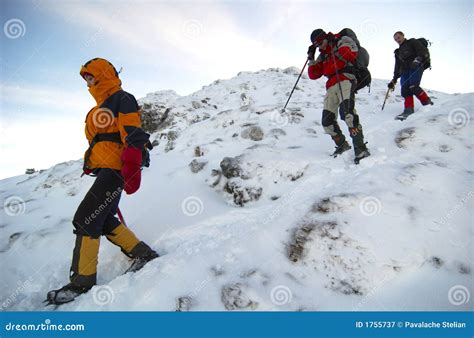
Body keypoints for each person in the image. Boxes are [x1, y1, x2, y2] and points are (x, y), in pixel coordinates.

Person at [46, 58, 158, 305]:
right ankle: (144, 254)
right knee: (102, 218)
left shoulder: (121, 98)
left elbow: (133, 132)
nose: (87, 81)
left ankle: (82, 282)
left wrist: (131, 163)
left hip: (116, 169)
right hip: (108, 169)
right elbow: (103, 140)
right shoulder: (100, 106)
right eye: (84, 78)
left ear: (103, 74)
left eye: (90, 76)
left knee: (86, 219)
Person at [307, 29, 370, 163]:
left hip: (345, 79)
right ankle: (342, 145)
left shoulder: (341, 41)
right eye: (317, 45)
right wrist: (311, 58)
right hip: (331, 86)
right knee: (327, 122)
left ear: (325, 37)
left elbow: (350, 55)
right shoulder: (323, 55)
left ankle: (361, 149)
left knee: (348, 114)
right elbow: (313, 75)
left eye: (321, 42)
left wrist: (336, 41)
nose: (320, 46)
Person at [388, 31, 433, 120]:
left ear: (403, 36)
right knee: (405, 90)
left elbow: (422, 50)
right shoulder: (398, 52)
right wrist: (394, 80)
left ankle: (428, 104)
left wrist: (418, 59)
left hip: (415, 66)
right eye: (395, 39)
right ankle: (408, 110)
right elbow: (397, 66)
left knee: (413, 86)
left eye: (398, 37)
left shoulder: (412, 42)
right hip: (404, 71)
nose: (397, 40)